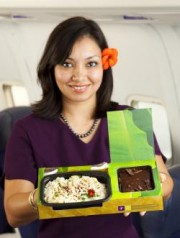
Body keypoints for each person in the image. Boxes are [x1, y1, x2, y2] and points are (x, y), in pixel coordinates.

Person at [3, 16, 173, 238]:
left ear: (104, 66)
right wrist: (45, 195)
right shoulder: (28, 130)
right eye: (66, 63)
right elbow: (13, 214)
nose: (79, 75)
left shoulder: (126, 120)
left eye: (91, 63)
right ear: (51, 67)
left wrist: (156, 188)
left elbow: (164, 183)